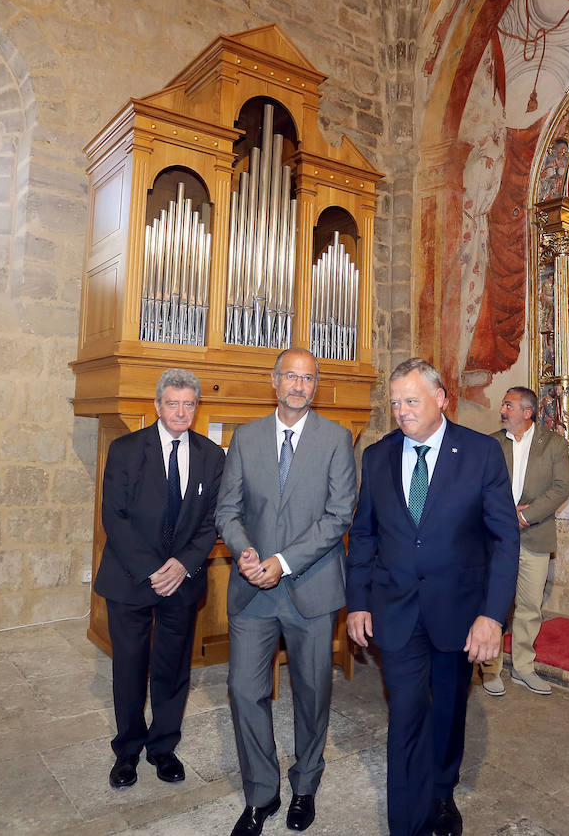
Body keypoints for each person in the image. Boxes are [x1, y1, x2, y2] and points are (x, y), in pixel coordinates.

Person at [346, 358, 520, 836]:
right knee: (406, 713)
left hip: (458, 612)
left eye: (412, 400)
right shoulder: (378, 456)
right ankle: (409, 822)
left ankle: (443, 789)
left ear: (441, 399)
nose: (402, 411)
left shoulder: (481, 454)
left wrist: (492, 617)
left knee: (446, 708)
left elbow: (505, 540)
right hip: (395, 610)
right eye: (396, 401)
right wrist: (358, 600)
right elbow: (363, 535)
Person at [216, 348, 356, 836]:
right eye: (290, 376)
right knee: (243, 690)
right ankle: (261, 792)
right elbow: (227, 510)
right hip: (252, 590)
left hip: (310, 588)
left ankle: (304, 786)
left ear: (315, 386)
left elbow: (339, 515)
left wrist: (284, 562)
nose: (299, 385)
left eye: (308, 378)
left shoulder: (337, 439)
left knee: (312, 693)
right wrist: (245, 552)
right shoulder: (246, 437)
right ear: (274, 382)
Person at [94, 368, 225, 791]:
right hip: (132, 578)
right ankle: (128, 751)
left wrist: (183, 565)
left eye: (189, 404)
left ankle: (164, 748)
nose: (181, 411)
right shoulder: (127, 449)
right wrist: (154, 569)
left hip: (182, 582)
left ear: (196, 407)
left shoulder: (211, 455)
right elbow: (114, 516)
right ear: (157, 405)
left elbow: (211, 521)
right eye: (173, 403)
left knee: (172, 669)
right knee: (130, 669)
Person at [478, 386, 569, 698]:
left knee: (530, 605)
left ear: (527, 412)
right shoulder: (490, 444)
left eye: (508, 405)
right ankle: (489, 669)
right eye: (504, 405)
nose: (502, 410)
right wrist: (506, 515)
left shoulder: (554, 444)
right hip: (496, 537)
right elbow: (480, 486)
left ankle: (523, 666)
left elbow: (560, 489)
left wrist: (525, 516)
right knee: (494, 604)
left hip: (535, 534)